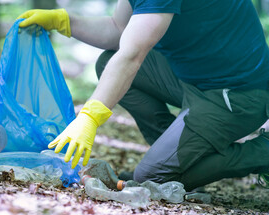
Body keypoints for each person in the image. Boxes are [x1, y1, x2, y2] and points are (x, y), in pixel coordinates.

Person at [17, 0, 269, 191]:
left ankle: (261, 153)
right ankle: (181, 155)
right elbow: (118, 29)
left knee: (151, 180)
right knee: (107, 63)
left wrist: (89, 117)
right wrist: (63, 21)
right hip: (195, 77)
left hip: (236, 95)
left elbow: (131, 56)